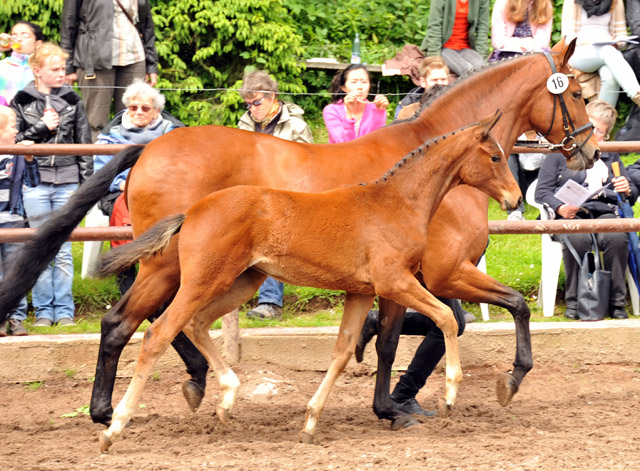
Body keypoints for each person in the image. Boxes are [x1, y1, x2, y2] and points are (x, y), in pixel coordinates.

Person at [11, 42, 92, 327]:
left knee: (65, 250)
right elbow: (16, 141)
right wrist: (43, 127)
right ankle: (44, 310)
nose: (62, 74)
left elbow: (83, 143)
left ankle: (65, 310)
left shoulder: (72, 99)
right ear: (37, 71)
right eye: (55, 69)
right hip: (35, 181)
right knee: (41, 245)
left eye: (63, 69)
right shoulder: (21, 100)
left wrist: (86, 186)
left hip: (68, 179)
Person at [535, 100, 637, 320]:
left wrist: (625, 187)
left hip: (603, 213)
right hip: (570, 214)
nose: (592, 134)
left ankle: (617, 303)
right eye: (589, 127)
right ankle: (575, 302)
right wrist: (560, 208)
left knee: (618, 238)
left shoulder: (611, 156)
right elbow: (541, 192)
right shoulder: (558, 154)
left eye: (599, 131)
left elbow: (626, 193)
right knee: (578, 238)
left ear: (606, 136)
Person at [93, 80, 184, 295]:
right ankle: (126, 282)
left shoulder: (173, 134)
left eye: (145, 108)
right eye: (133, 107)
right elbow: (101, 171)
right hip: (119, 190)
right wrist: (126, 185)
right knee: (123, 211)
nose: (138, 112)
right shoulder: (110, 135)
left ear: (157, 111)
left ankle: (164, 284)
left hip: (164, 193)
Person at [238, 70, 313, 319]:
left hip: (288, 196)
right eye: (248, 104)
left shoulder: (296, 126)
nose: (252, 109)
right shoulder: (244, 124)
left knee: (269, 231)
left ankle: (270, 302)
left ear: (273, 97)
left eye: (257, 102)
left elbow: (307, 168)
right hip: (253, 195)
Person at [60, 0, 159, 141]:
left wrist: (151, 64)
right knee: (95, 121)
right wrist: (68, 65)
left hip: (134, 58)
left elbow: (147, 25)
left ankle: (129, 162)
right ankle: (95, 161)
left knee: (133, 119)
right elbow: (67, 25)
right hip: (94, 59)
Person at [0, 106, 40, 336]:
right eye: (13, 127)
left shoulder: (17, 156)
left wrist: (29, 158)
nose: (17, 131)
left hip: (13, 221)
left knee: (14, 273)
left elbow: (33, 182)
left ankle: (16, 318)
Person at [562, 0, 640, 107]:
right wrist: (594, 40)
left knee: (610, 78)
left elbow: (621, 35)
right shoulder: (572, 1)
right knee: (608, 51)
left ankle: (601, 119)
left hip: (607, 53)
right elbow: (567, 37)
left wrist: (618, 43)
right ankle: (636, 94)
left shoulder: (615, 2)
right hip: (579, 52)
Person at [322, 64, 389, 143]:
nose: (360, 87)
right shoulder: (331, 110)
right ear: (343, 88)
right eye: (354, 82)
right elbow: (343, 143)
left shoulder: (376, 109)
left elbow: (375, 139)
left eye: (364, 82)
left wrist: (379, 112)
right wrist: (349, 113)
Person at [421, 0, 490, 76]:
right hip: (443, 47)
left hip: (465, 47)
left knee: (483, 69)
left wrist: (482, 56)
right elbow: (434, 26)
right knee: (467, 69)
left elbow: (482, 28)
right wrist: (434, 58)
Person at [0, 21, 44, 104]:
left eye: (25, 35)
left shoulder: (44, 68)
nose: (19, 39)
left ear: (38, 44)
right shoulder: (2, 66)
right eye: (14, 35)